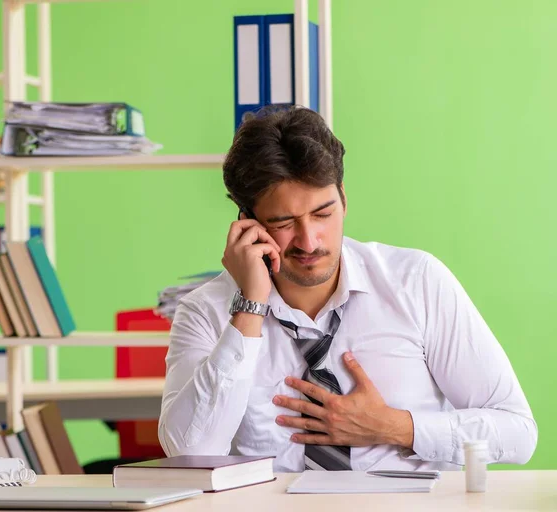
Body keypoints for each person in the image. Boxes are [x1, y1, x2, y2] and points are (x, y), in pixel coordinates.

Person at [158, 107, 537, 472]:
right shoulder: (206, 311)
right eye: (284, 222)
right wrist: (251, 306)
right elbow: (190, 453)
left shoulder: (416, 281)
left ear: (343, 197)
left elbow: (517, 432)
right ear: (248, 224)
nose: (309, 241)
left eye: (323, 214)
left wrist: (394, 426)